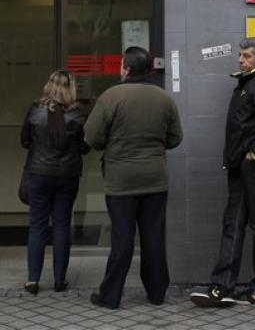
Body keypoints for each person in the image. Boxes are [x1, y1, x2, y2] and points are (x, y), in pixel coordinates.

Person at [190, 37, 255, 307]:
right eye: (241, 55)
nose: (240, 60)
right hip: (240, 166)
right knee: (233, 224)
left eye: (246, 56)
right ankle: (222, 285)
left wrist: (253, 153)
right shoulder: (248, 83)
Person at [84, 46, 183, 309]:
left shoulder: (111, 97)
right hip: (155, 178)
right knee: (153, 237)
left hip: (121, 180)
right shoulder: (164, 98)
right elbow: (176, 138)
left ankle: (110, 296)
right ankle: (156, 293)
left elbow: (92, 137)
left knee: (122, 239)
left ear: (126, 68)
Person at [20, 70, 89, 296]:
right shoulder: (78, 115)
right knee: (61, 225)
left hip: (38, 173)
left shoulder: (35, 110)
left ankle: (32, 280)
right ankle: (60, 280)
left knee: (37, 225)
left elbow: (25, 141)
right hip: (66, 175)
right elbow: (84, 146)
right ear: (71, 88)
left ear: (49, 85)